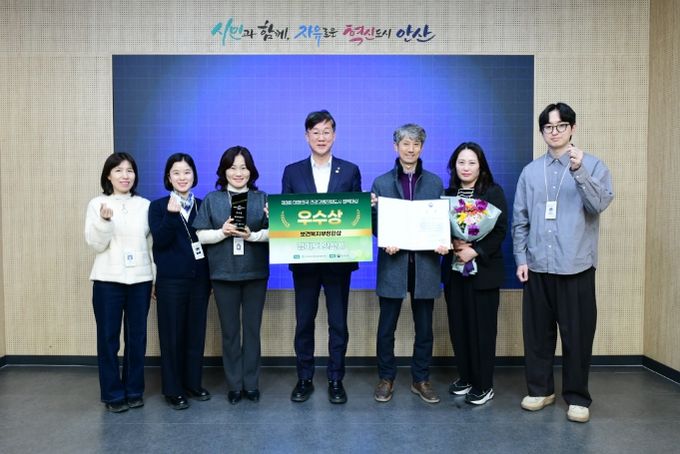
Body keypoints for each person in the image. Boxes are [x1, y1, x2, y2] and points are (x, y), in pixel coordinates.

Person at [512, 102, 614, 423]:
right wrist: (520, 258)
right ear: (542, 131)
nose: (554, 132)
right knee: (537, 335)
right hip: (537, 266)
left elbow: (598, 205)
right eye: (548, 127)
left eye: (561, 126)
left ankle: (578, 397)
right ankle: (540, 390)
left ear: (572, 128)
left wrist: (579, 171)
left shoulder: (593, 165)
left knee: (577, 336)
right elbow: (520, 220)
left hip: (576, 267)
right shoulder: (530, 172)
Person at [282, 110, 362, 404]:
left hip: (339, 261)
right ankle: (304, 378)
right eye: (315, 132)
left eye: (326, 131)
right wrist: (273, 215)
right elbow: (287, 215)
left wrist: (367, 207)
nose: (321, 137)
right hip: (304, 261)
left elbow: (355, 214)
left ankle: (335, 379)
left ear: (334, 135)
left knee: (338, 323)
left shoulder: (350, 170)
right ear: (307, 136)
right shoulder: (292, 171)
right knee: (304, 322)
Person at [371, 123, 449, 404]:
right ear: (396, 147)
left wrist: (442, 240)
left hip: (425, 264)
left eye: (416, 144)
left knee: (424, 328)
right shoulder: (381, 183)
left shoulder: (435, 182)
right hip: (394, 262)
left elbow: (441, 221)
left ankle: (421, 379)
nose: (411, 149)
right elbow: (374, 222)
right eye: (405, 143)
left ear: (422, 148)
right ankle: (386, 378)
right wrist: (384, 239)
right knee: (386, 328)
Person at [194, 146, 269, 405]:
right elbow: (200, 235)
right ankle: (234, 385)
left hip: (255, 273)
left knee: (252, 330)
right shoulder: (212, 199)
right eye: (233, 167)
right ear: (223, 171)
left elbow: (278, 232)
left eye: (244, 167)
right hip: (223, 274)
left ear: (251, 171)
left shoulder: (262, 198)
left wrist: (253, 235)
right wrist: (222, 232)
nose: (238, 173)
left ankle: (251, 384)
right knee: (230, 332)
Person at [84, 152, 153, 413]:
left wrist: (154, 279)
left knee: (137, 338)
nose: (125, 176)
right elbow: (95, 244)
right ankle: (112, 394)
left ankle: (134, 390)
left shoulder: (145, 205)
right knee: (108, 339)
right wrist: (104, 221)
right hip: (107, 282)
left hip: (140, 281)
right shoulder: (97, 203)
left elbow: (151, 246)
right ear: (108, 176)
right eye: (119, 171)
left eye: (130, 170)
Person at [441, 142, 508, 406]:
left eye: (471, 162)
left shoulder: (493, 192)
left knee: (482, 330)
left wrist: (475, 250)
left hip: (484, 274)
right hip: (454, 271)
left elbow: (500, 230)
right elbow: (437, 227)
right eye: (461, 162)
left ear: (481, 166)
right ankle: (466, 377)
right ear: (454, 165)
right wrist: (453, 243)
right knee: (459, 327)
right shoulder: (447, 194)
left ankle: (484, 384)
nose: (466, 167)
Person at [149, 153, 211, 410]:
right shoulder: (158, 207)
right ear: (168, 177)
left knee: (196, 334)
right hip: (171, 282)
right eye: (176, 173)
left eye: (187, 172)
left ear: (194, 175)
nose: (182, 177)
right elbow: (160, 242)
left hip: (200, 280)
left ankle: (193, 383)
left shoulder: (203, 205)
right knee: (172, 336)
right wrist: (171, 215)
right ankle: (173, 390)